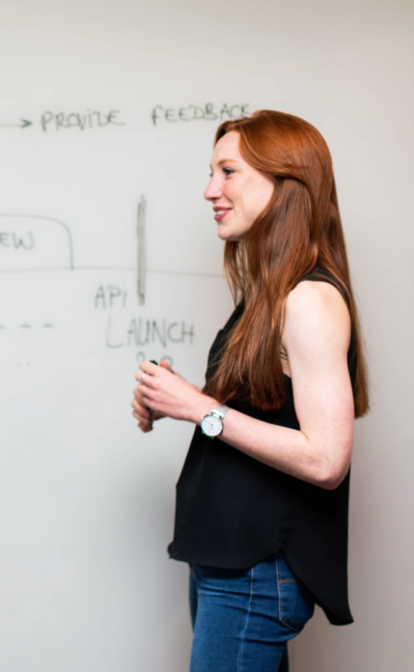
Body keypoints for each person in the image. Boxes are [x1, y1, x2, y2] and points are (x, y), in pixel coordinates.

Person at [130, 111, 368, 671]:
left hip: (256, 574)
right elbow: (259, 413)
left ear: (285, 182)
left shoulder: (309, 299)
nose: (211, 190)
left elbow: (327, 459)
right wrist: (174, 402)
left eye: (228, 171)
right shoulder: (268, 297)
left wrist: (200, 407)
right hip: (231, 566)